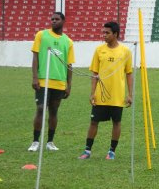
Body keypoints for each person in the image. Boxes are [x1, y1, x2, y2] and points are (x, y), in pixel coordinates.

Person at [78, 21, 133, 160]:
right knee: (93, 122)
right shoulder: (99, 50)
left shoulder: (125, 51)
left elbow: (129, 73)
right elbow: (94, 73)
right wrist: (92, 93)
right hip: (100, 95)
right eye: (103, 32)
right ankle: (87, 151)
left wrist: (130, 94)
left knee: (117, 123)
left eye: (107, 33)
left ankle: (112, 152)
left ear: (115, 34)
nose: (104, 35)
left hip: (117, 95)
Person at [28, 12, 75, 152]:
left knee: (54, 111)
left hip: (59, 83)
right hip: (43, 81)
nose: (53, 21)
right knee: (41, 108)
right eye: (52, 19)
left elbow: (69, 65)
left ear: (63, 21)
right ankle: (35, 141)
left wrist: (69, 85)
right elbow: (35, 57)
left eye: (57, 19)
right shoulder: (41, 35)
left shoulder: (68, 41)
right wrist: (35, 77)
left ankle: (50, 142)